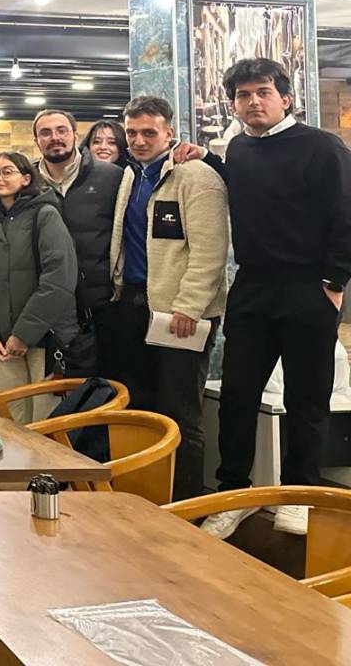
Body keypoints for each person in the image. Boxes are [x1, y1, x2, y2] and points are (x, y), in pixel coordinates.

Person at [176, 58, 351, 538]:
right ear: (234, 104)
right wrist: (206, 158)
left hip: (309, 288)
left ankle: (299, 494)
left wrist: (334, 282)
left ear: (285, 98)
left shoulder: (322, 147)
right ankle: (233, 494)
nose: (253, 101)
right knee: (237, 397)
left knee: (306, 398)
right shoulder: (239, 147)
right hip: (252, 288)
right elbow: (242, 183)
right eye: (243, 95)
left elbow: (345, 214)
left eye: (263, 92)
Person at [109, 95, 228, 500]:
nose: (139, 140)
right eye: (132, 133)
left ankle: (187, 503)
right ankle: (145, 497)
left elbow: (210, 251)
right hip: (135, 303)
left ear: (169, 133)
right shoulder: (131, 175)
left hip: (180, 311)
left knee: (181, 412)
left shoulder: (196, 177)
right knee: (141, 407)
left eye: (149, 132)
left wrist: (189, 307)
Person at [0, 152, 78, 424]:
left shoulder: (45, 214)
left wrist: (23, 334)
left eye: (7, 171)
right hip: (3, 341)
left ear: (26, 178)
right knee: (12, 420)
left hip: (43, 339)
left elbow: (59, 279)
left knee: (45, 422)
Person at [31, 108, 116, 378]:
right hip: (45, 304)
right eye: (45, 133)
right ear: (36, 140)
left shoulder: (111, 177)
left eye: (61, 130)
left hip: (102, 304)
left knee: (108, 387)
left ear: (75, 135)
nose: (54, 137)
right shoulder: (26, 183)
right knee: (53, 390)